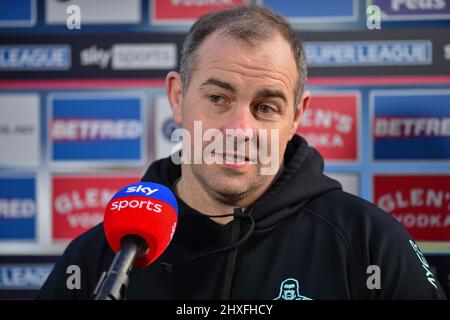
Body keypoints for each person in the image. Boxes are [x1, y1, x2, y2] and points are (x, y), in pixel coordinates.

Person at [37, 5, 446, 300]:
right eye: (218, 98)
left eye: (266, 108)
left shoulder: (369, 243)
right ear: (178, 98)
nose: (238, 130)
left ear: (296, 117)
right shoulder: (105, 255)